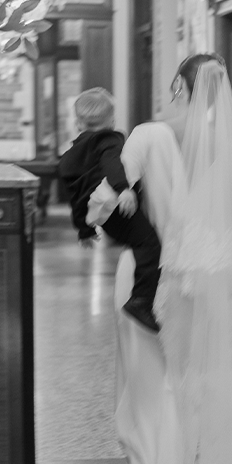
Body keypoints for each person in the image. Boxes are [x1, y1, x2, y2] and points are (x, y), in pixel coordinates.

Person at [86, 53, 232, 464]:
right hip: (197, 283)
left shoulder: (148, 135)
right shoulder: (219, 145)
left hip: (146, 281)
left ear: (177, 85)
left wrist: (111, 207)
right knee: (180, 392)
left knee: (147, 396)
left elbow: (101, 204)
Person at [58, 87, 162, 332]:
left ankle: (139, 296)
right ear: (112, 121)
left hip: (102, 217)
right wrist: (123, 189)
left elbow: (75, 197)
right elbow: (112, 164)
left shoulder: (69, 156)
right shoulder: (109, 139)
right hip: (116, 205)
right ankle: (141, 300)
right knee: (149, 243)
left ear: (77, 123)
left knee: (136, 241)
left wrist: (84, 230)